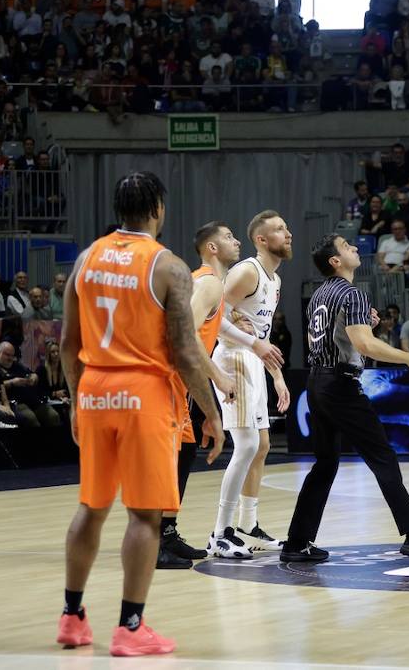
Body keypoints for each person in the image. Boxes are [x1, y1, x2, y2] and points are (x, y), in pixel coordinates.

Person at [57, 171, 227, 656]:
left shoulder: (86, 258)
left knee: (91, 507)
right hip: (142, 392)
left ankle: (72, 617)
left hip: (94, 389)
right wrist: (211, 414)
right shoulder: (168, 267)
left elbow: (68, 344)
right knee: (145, 516)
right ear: (157, 209)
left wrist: (75, 398)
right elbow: (186, 352)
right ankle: (130, 627)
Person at [280, 234, 409, 565]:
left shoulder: (319, 294)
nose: (355, 249)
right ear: (335, 261)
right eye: (347, 247)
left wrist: (365, 326)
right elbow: (365, 346)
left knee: (326, 463)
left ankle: (297, 542)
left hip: (317, 382)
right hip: (341, 385)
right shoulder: (351, 293)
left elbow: (344, 334)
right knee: (383, 457)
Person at [206, 211, 292, 558]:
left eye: (286, 229)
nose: (288, 234)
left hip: (254, 361)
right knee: (245, 445)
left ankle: (247, 525)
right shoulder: (247, 271)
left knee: (262, 445)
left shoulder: (275, 280)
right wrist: (251, 343)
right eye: (279, 230)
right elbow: (212, 317)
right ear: (261, 239)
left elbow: (264, 334)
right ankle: (220, 532)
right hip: (232, 359)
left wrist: (277, 376)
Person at [158, 221, 242, 570]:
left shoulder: (212, 285)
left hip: (184, 380)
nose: (236, 241)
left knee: (186, 450)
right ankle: (154, 541)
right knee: (168, 460)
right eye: (227, 237)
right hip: (171, 378)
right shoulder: (207, 281)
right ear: (211, 248)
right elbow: (184, 334)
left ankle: (167, 531)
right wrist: (218, 376)